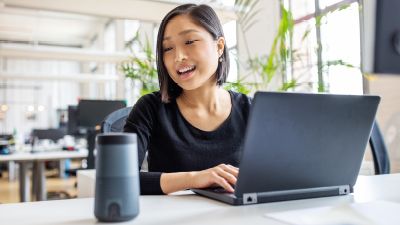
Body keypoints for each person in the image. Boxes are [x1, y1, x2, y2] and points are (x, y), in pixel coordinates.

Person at [124, 4, 251, 195]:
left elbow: (279, 172)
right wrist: (195, 178)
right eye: (167, 48)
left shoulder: (251, 109)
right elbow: (121, 178)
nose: (178, 57)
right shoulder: (149, 108)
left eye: (190, 42)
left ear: (219, 46)